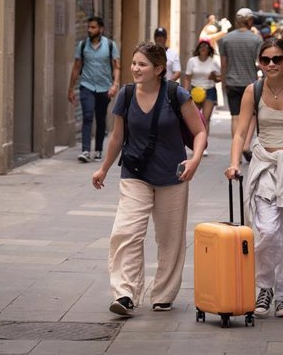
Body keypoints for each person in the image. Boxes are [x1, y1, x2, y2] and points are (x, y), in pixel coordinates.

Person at [92, 42, 207, 317]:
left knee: (169, 239)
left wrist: (195, 160)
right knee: (126, 232)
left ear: (158, 69)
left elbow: (199, 131)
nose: (135, 69)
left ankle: (163, 294)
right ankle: (125, 293)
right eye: (134, 63)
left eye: (142, 64)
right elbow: (117, 137)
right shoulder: (126, 95)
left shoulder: (175, 94)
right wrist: (104, 168)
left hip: (172, 174)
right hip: (135, 173)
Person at [225, 38, 283, 319]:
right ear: (260, 62)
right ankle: (264, 286)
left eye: (277, 59)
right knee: (266, 230)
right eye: (265, 60)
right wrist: (233, 163)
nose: (271, 65)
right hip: (264, 166)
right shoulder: (253, 91)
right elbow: (241, 132)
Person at [68, 16, 121, 163]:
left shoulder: (110, 45)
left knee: (101, 118)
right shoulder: (83, 45)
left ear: (101, 29)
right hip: (87, 85)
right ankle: (85, 150)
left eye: (93, 27)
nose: (89, 30)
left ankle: (98, 150)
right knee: (87, 115)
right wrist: (70, 89)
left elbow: (117, 67)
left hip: (104, 88)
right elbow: (76, 67)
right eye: (89, 27)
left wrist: (115, 85)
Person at [219, 7, 262, 162]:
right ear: (248, 20)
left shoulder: (226, 39)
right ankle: (245, 145)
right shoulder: (256, 39)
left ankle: (236, 150)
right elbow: (260, 62)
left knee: (235, 116)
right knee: (252, 116)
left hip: (232, 82)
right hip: (250, 83)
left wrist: (224, 81)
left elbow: (223, 64)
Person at [184, 38, 221, 142]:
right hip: (195, 90)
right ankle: (194, 140)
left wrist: (214, 77)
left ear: (209, 49)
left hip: (209, 91)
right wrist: (186, 92)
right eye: (201, 46)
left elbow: (220, 78)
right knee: (194, 118)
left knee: (206, 119)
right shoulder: (192, 61)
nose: (203, 48)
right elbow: (187, 77)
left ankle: (203, 143)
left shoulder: (213, 62)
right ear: (198, 48)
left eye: (206, 46)